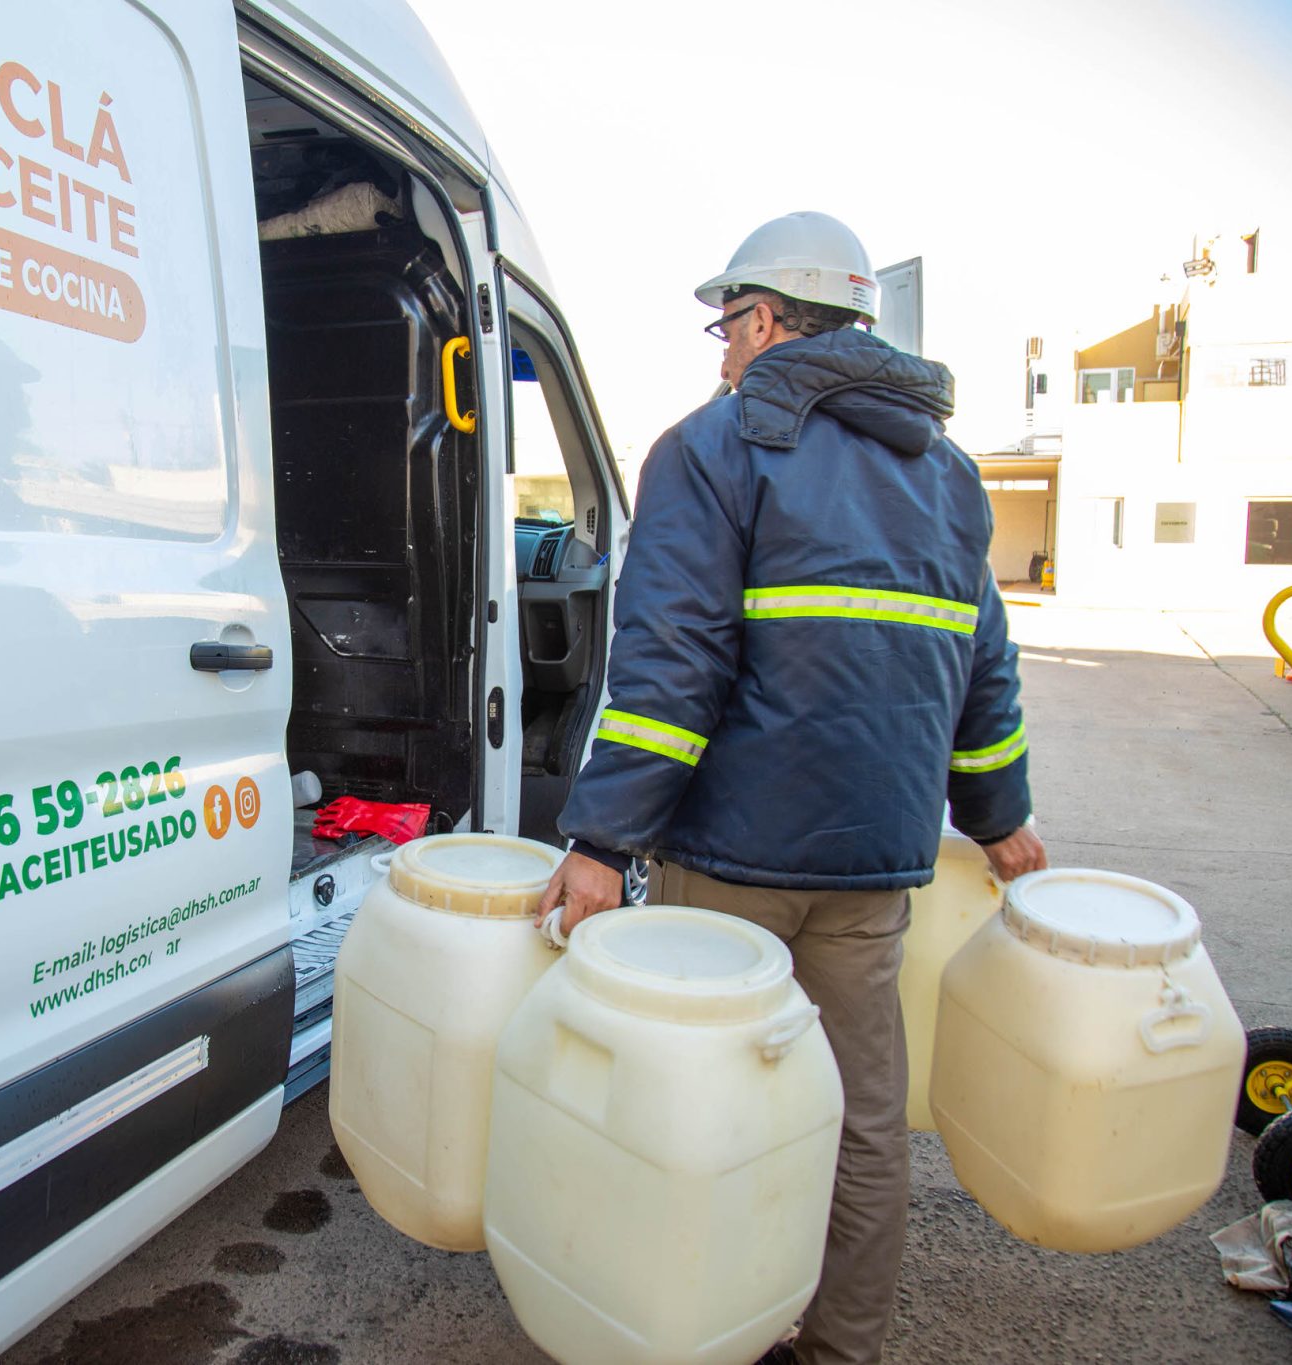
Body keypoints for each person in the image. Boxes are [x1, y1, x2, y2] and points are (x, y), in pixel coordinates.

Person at [535, 211, 1046, 1365]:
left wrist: (601, 840)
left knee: (707, 1115)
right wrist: (1000, 817)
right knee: (861, 1122)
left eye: (726, 325)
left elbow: (671, 667)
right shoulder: (951, 476)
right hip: (872, 866)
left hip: (730, 863)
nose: (719, 352)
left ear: (767, 319)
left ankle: (699, 1329)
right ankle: (840, 1346)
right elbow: (983, 666)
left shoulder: (713, 445)